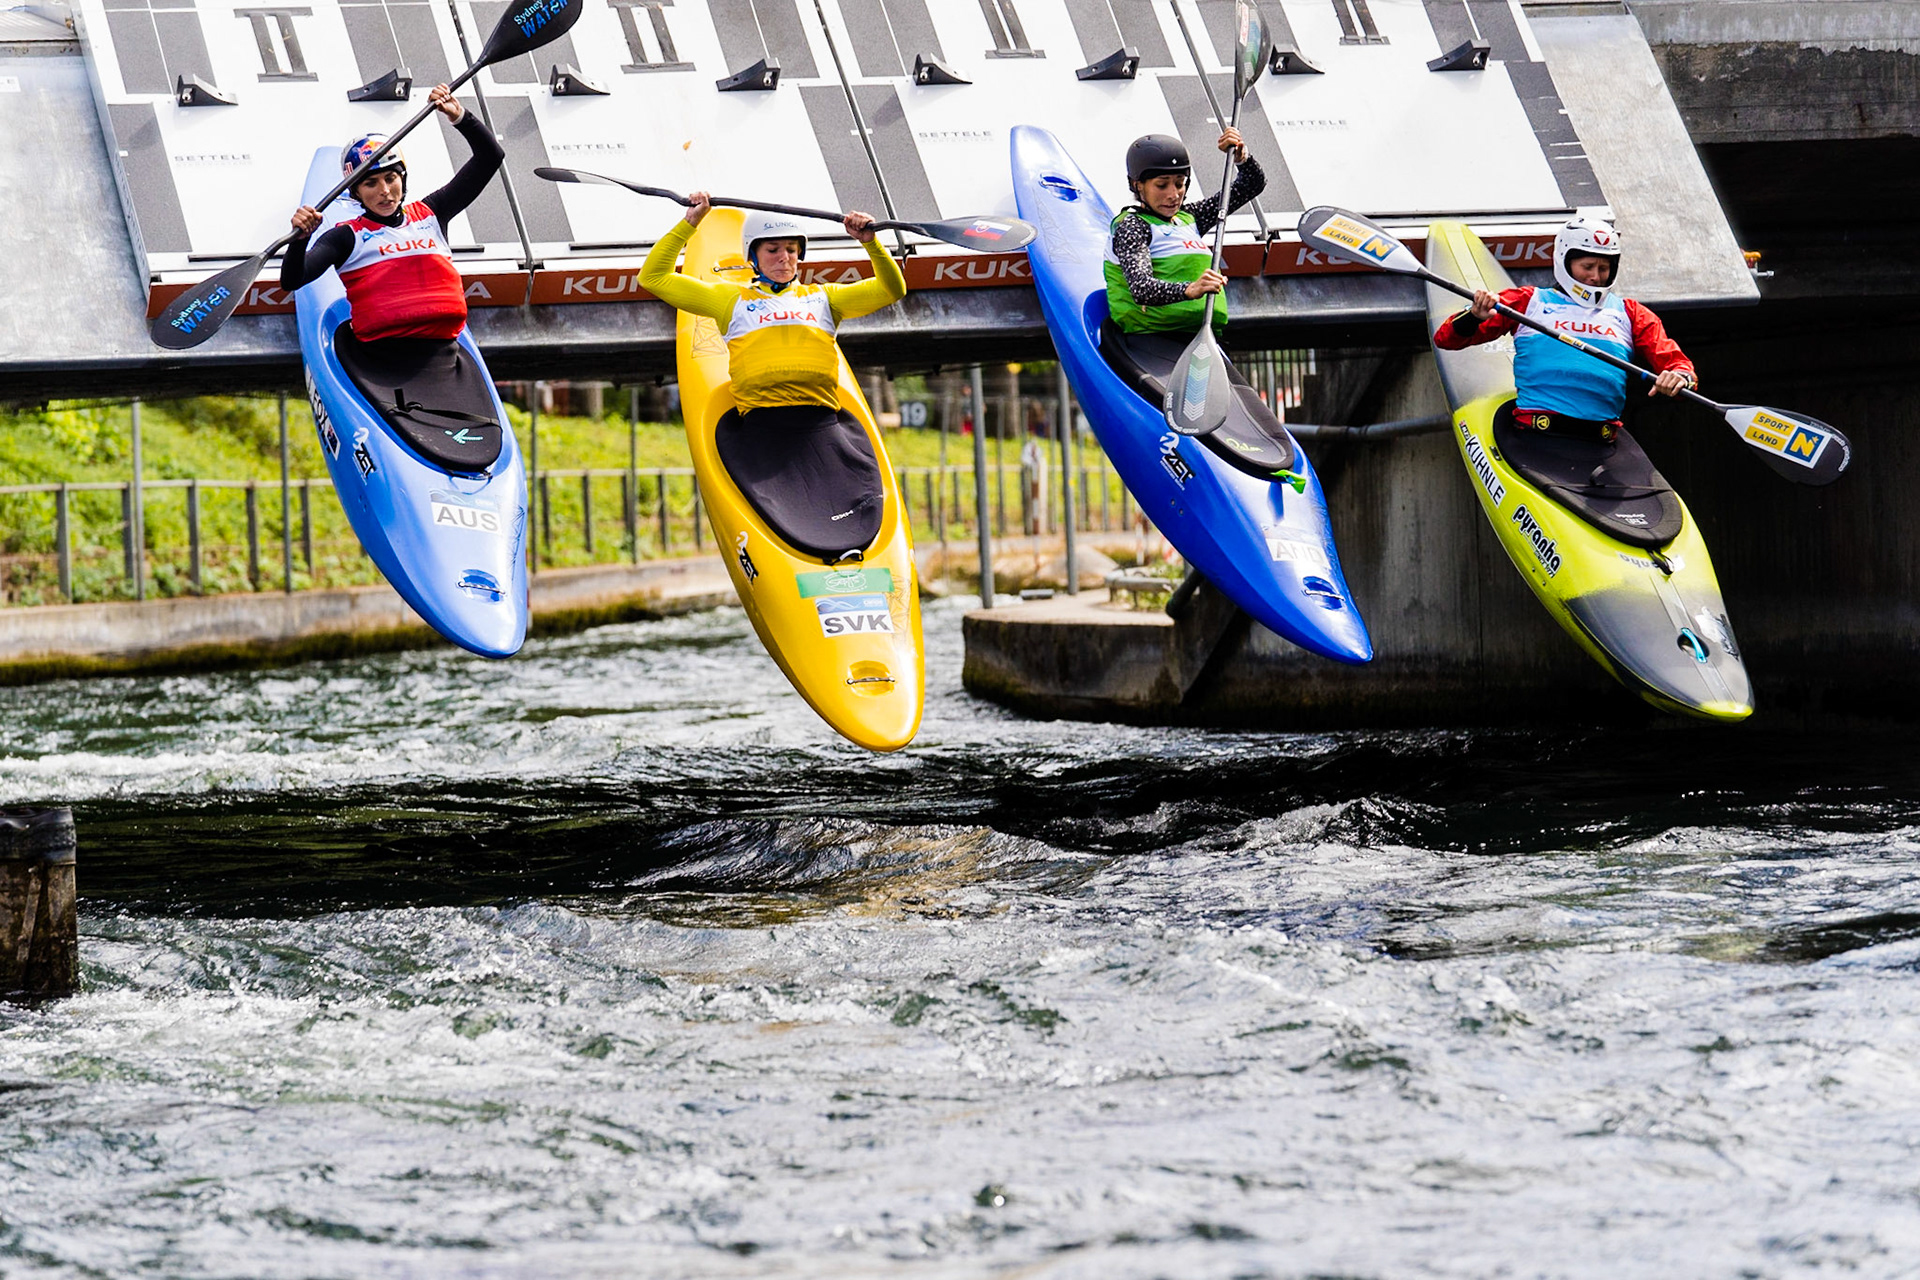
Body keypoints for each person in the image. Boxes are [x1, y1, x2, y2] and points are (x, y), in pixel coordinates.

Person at [638, 194, 905, 426]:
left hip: (818, 420)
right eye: (772, 249)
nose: (783, 257)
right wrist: (690, 223)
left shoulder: (824, 297)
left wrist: (870, 242)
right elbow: (653, 278)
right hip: (761, 425)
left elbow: (892, 290)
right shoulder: (730, 299)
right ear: (752, 255)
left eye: (791, 249)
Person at [1433, 216, 1697, 441]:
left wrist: (1679, 377)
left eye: (1604, 268)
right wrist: (1474, 316)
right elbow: (1446, 339)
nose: (1596, 276)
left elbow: (1680, 367)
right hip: (1538, 434)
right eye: (1587, 266)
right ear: (1565, 261)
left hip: (1601, 439)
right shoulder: (1527, 301)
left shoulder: (1632, 314)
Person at [280, 85, 504, 344]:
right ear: (356, 193)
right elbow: (292, 280)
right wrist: (300, 241)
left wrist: (459, 116)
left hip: (444, 352)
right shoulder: (344, 237)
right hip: (380, 362)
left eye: (391, 178)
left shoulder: (433, 212)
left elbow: (491, 157)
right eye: (371, 183)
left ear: (402, 178)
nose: (385, 191)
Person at [1104, 130, 1265, 334]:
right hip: (1154, 340)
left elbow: (1252, 184)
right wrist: (1190, 289)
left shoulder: (1190, 218)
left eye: (1180, 184)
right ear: (1138, 186)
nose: (1173, 194)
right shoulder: (1132, 226)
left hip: (1203, 337)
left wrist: (1242, 158)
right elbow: (1141, 287)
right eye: (1162, 185)